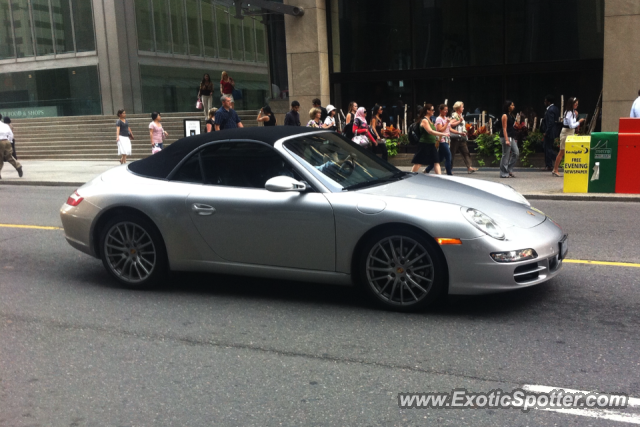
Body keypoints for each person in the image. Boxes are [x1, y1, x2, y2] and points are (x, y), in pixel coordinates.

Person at [553, 97, 585, 177]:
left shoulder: (573, 112)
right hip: (567, 132)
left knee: (570, 151)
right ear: (572, 104)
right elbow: (571, 125)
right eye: (575, 104)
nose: (577, 105)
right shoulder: (569, 113)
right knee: (562, 151)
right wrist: (579, 122)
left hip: (571, 132)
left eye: (577, 104)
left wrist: (576, 118)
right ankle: (555, 169)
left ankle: (566, 168)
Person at [410, 105, 447, 174]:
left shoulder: (431, 120)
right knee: (419, 162)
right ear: (428, 111)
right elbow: (430, 131)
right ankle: (411, 174)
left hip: (431, 144)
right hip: (424, 144)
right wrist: (443, 134)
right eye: (432, 110)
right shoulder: (424, 120)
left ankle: (439, 178)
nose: (434, 111)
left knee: (436, 161)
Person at [449, 101, 477, 174]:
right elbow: (450, 124)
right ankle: (448, 168)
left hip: (461, 137)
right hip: (455, 137)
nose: (463, 108)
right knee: (452, 153)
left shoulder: (460, 115)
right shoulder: (455, 116)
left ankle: (469, 167)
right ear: (458, 108)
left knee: (466, 152)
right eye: (462, 107)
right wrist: (459, 121)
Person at [499, 100, 519, 178]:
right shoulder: (505, 115)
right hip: (505, 136)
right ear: (508, 106)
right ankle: (503, 173)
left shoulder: (511, 115)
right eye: (512, 105)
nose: (513, 106)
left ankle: (509, 169)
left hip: (511, 136)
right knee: (506, 155)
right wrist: (506, 139)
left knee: (516, 153)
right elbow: (504, 128)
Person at [433, 104, 454, 175]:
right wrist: (447, 123)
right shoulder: (439, 119)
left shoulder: (445, 118)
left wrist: (459, 132)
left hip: (447, 140)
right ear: (440, 111)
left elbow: (449, 128)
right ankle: (449, 173)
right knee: (448, 156)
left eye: (447, 110)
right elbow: (440, 129)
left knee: (439, 158)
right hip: (442, 140)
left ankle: (427, 169)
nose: (446, 111)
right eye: (445, 110)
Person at [0, 114, 22, 179]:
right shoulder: (5, 125)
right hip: (7, 141)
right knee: (9, 157)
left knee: (0, 158)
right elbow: (11, 134)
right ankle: (18, 166)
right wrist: (9, 141)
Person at [542, 95, 560, 171]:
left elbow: (550, 122)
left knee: (547, 148)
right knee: (547, 147)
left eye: (545, 101)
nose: (544, 102)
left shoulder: (550, 110)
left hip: (550, 132)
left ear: (548, 102)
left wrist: (546, 132)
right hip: (553, 130)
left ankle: (556, 159)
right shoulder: (556, 108)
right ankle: (549, 164)